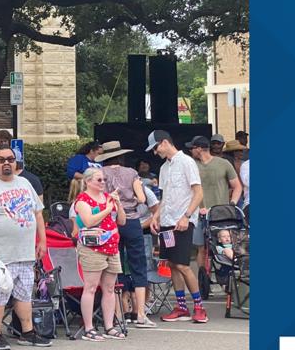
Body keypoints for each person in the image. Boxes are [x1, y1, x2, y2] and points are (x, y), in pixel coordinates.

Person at [0, 146, 49, 350]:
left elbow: (38, 213)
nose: (6, 163)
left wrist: (42, 241)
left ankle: (27, 332)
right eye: (1, 160)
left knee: (24, 293)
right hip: (1, 255)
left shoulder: (25, 183)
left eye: (10, 159)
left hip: (25, 252)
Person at [145, 130, 207, 323]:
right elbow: (165, 198)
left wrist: (186, 216)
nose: (155, 152)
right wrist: (155, 216)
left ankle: (199, 307)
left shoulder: (187, 162)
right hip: (167, 221)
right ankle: (181, 307)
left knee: (182, 264)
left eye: (156, 147)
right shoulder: (164, 168)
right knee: (171, 263)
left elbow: (198, 193)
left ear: (164, 142)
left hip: (182, 222)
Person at [96, 142, 154, 328]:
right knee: (138, 264)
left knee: (115, 265)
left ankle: (119, 313)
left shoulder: (100, 173)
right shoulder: (131, 173)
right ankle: (141, 314)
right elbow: (143, 198)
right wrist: (133, 200)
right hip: (131, 221)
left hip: (110, 221)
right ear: (121, 156)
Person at [74, 168, 126, 341]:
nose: (103, 182)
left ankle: (109, 325)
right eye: (99, 180)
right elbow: (89, 221)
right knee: (90, 287)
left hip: (111, 246)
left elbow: (122, 221)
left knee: (109, 288)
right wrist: (107, 208)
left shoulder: (108, 198)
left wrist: (118, 206)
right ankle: (88, 327)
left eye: (104, 179)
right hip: (92, 248)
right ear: (88, 181)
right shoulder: (82, 200)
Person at [187, 135, 243, 285]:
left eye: (192, 148)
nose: (190, 151)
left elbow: (237, 186)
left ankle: (224, 273)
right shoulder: (191, 165)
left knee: (225, 244)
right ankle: (203, 279)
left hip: (221, 215)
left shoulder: (224, 164)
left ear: (199, 149)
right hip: (199, 213)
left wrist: (231, 204)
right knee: (202, 248)